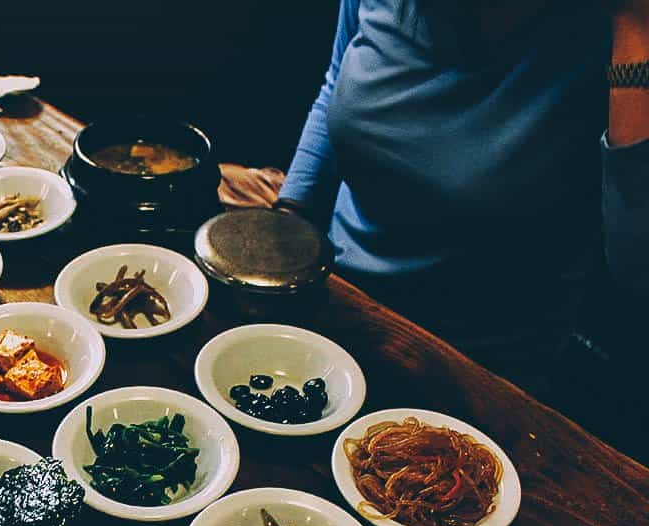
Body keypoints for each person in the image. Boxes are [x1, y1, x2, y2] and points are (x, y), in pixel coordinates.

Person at [220, 0, 649, 455]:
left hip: (478, 375)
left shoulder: (608, 36)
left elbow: (637, 269)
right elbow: (336, 86)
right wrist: (289, 225)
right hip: (338, 304)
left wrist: (637, 25)